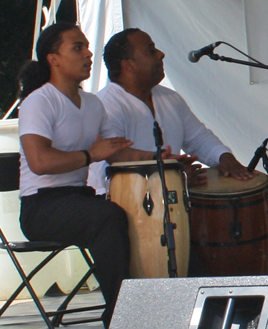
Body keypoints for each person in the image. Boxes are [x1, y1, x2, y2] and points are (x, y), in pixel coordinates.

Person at [16, 22, 162, 328]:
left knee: (133, 215)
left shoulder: (93, 103)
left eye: (87, 46)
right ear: (53, 58)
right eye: (77, 47)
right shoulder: (39, 101)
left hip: (77, 201)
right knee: (108, 217)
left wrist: (159, 159)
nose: (88, 53)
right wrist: (89, 155)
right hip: (40, 208)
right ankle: (121, 314)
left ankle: (151, 303)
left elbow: (116, 151)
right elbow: (40, 161)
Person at [88, 28, 252, 195]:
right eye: (151, 51)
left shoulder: (170, 98)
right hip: (121, 206)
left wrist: (224, 157)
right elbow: (109, 169)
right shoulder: (105, 106)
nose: (161, 54)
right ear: (129, 66)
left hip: (172, 204)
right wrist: (172, 175)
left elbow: (198, 138)